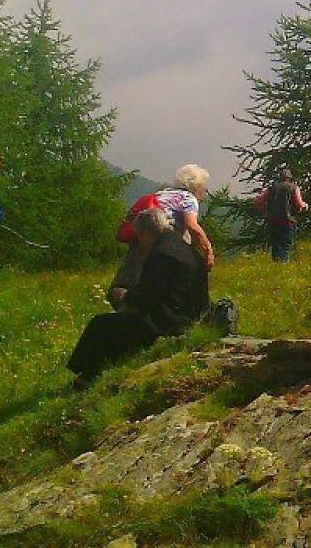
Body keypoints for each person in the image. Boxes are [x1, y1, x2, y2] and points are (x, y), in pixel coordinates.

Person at [67, 206, 208, 388]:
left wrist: (125, 295)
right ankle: (88, 375)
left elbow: (151, 298)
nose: (139, 242)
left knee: (101, 325)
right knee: (120, 325)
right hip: (193, 314)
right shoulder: (182, 246)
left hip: (169, 321)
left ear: (148, 233)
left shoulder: (160, 254)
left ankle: (84, 376)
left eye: (139, 236)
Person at [154, 164, 216, 271]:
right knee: (195, 269)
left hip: (147, 241)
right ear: (196, 186)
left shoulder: (161, 193)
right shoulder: (188, 198)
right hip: (169, 242)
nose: (205, 191)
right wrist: (208, 250)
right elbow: (192, 226)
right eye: (204, 187)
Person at [254, 168, 308, 263]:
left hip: (273, 220)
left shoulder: (272, 188)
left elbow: (258, 201)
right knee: (285, 245)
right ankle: (282, 266)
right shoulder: (293, 187)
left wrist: (265, 212)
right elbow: (299, 204)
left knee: (276, 245)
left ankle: (276, 266)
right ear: (290, 178)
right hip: (288, 220)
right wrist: (305, 206)